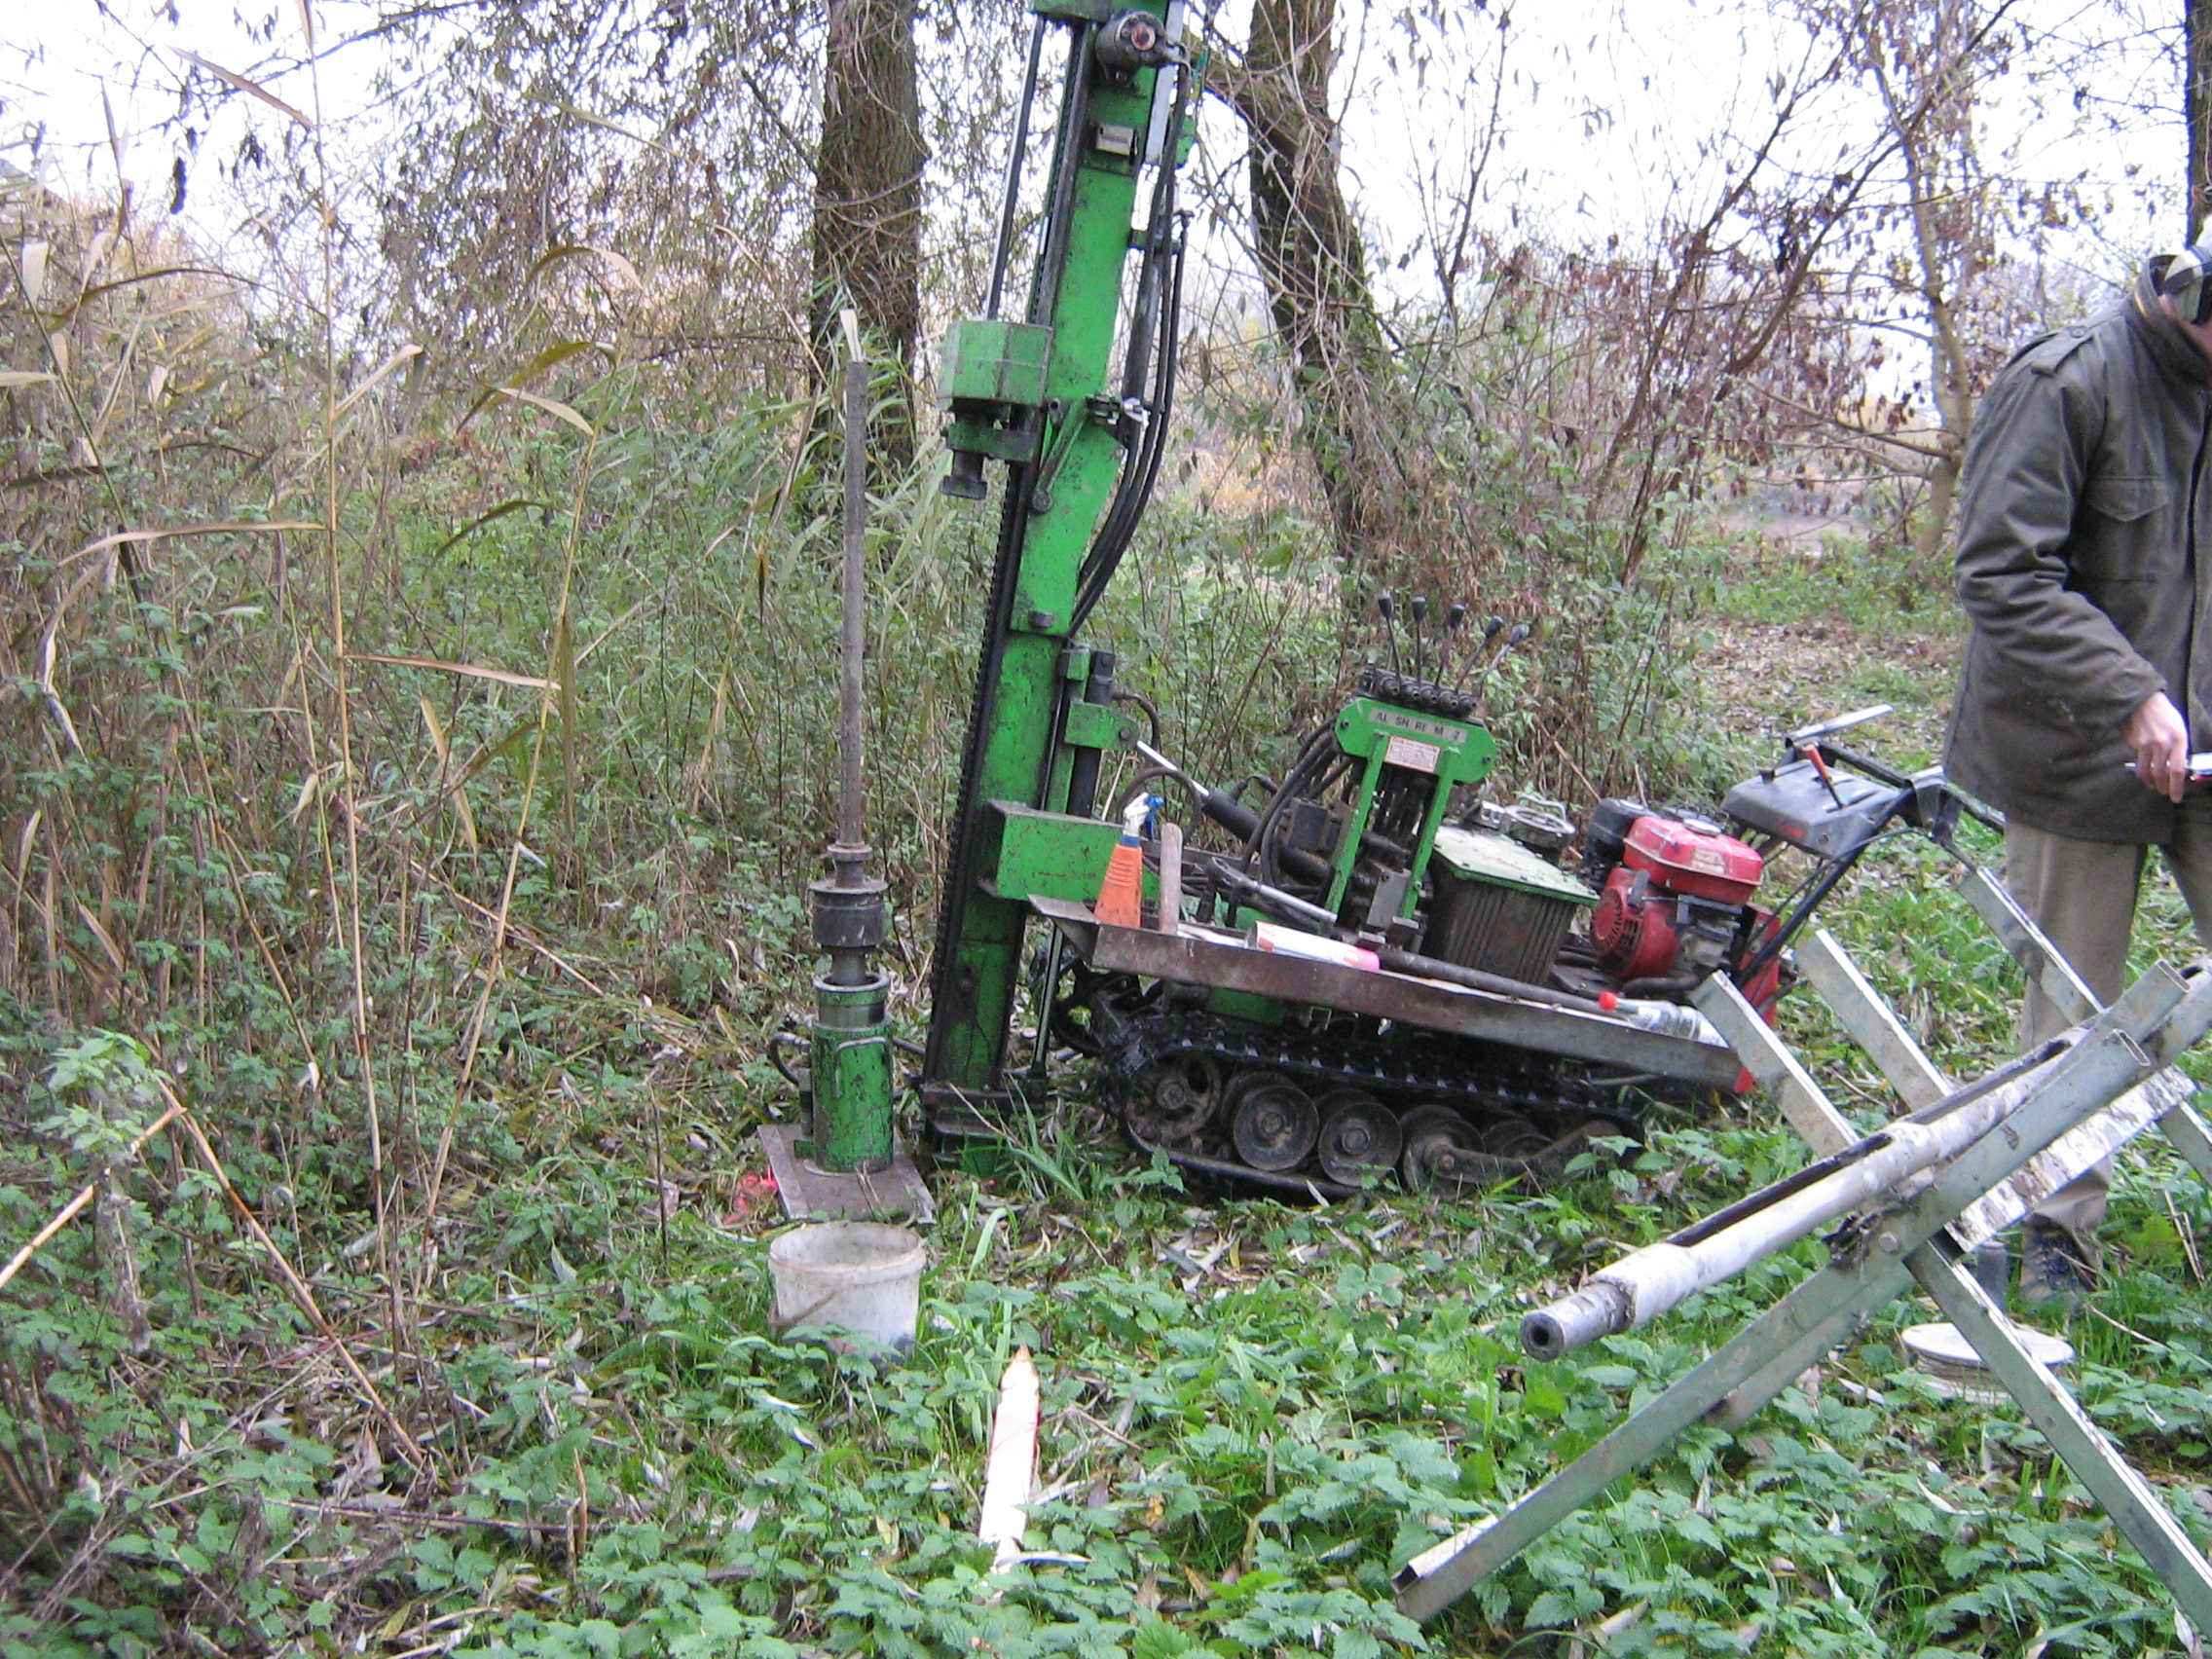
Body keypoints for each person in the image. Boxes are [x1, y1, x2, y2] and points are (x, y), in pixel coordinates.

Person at [1945, 243, 2212, 1304]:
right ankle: (2055, 1231)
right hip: (2071, 745)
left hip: (2202, 745)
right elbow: (1999, 573)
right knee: (2075, 1006)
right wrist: (2127, 692)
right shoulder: (2069, 380)